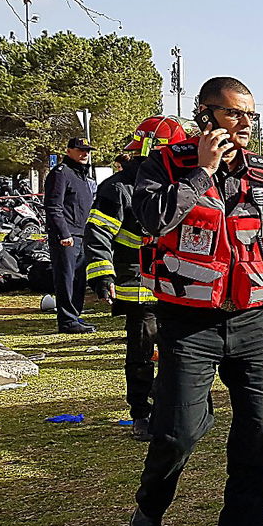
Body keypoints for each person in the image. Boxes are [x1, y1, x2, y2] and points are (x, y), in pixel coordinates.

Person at [126, 77, 263, 526]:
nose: (246, 123)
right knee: (178, 433)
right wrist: (203, 172)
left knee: (257, 435)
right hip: (189, 323)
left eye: (251, 114)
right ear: (205, 115)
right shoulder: (164, 166)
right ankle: (150, 505)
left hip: (253, 321)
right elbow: (152, 220)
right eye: (235, 113)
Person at [85, 117, 191, 441]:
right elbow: (98, 233)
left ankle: (167, 407)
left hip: (176, 285)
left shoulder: (180, 184)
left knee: (178, 351)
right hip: (138, 285)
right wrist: (103, 274)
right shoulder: (118, 188)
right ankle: (141, 413)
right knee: (142, 352)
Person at [43, 136, 98, 334]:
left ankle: (75, 316)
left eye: (87, 151)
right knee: (66, 278)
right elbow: (53, 206)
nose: (85, 154)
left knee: (78, 279)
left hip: (82, 234)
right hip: (67, 236)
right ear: (68, 151)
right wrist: (63, 233)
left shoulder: (81, 175)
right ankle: (67, 320)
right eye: (80, 150)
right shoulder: (61, 173)